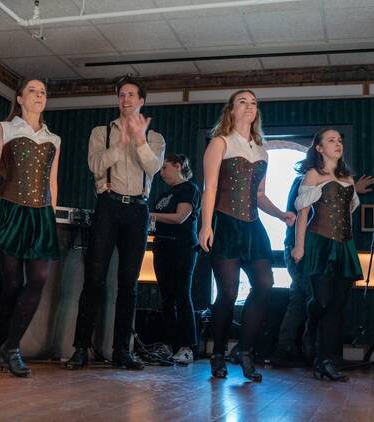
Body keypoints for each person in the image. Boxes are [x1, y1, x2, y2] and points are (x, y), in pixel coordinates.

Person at [65, 76, 165, 371]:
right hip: (108, 207)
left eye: (132, 95)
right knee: (94, 280)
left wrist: (138, 140)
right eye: (122, 95)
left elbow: (153, 167)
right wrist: (121, 143)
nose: (126, 99)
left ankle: (123, 350)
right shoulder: (100, 132)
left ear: (141, 101)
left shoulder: (155, 138)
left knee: (128, 284)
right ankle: (81, 349)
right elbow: (95, 166)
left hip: (138, 211)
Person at [199, 89, 296, 382]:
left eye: (253, 103)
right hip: (224, 222)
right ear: (231, 110)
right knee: (227, 292)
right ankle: (217, 352)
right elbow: (210, 188)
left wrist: (281, 215)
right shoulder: (220, 143)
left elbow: (261, 194)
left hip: (253, 227)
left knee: (264, 285)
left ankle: (244, 350)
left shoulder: (261, 149)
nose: (249, 107)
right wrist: (205, 225)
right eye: (243, 102)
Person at [0, 79, 61, 377]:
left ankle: (11, 345)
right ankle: (8, 347)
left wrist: (52, 215)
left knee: (38, 278)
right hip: (9, 211)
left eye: (43, 92)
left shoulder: (54, 139)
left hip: (39, 216)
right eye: (33, 91)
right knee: (11, 284)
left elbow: (52, 182)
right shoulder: (4, 129)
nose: (39, 95)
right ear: (20, 99)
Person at [273, 172, 374, 367]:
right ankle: (310, 350)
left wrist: (350, 191)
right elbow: (301, 214)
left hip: (314, 248)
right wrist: (300, 248)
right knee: (316, 296)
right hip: (302, 247)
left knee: (303, 297)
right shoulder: (305, 180)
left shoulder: (333, 181)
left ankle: (294, 349)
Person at [291, 128, 363, 382]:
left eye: (340, 140)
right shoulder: (313, 174)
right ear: (319, 148)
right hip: (318, 242)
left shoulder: (348, 177)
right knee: (322, 301)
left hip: (344, 246)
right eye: (331, 140)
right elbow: (302, 214)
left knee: (337, 305)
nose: (337, 143)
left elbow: (349, 216)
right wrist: (299, 247)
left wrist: (351, 246)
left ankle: (326, 361)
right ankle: (311, 326)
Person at [150, 154, 201, 364]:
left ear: (178, 166)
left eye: (164, 168)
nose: (161, 173)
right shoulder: (165, 194)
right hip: (162, 247)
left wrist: (150, 214)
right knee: (166, 299)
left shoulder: (189, 189)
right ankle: (169, 344)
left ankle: (187, 346)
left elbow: (181, 217)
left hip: (181, 248)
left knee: (182, 295)